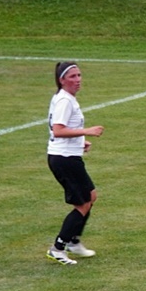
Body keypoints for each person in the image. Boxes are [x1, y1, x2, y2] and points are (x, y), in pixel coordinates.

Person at [45, 62, 103, 265]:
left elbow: (64, 129)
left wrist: (80, 141)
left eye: (79, 75)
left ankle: (73, 241)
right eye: (72, 76)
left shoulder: (67, 99)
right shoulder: (64, 101)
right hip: (64, 160)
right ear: (62, 79)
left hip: (69, 156)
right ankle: (58, 248)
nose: (78, 80)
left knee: (91, 196)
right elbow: (58, 130)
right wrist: (87, 132)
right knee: (83, 203)